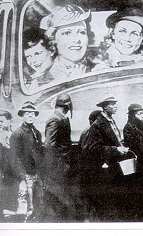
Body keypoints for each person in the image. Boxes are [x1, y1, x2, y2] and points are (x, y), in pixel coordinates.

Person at [80, 96, 130, 221]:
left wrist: (122, 147)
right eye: (112, 104)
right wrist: (116, 149)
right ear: (104, 107)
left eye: (115, 103)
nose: (115, 106)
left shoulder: (111, 121)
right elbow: (94, 148)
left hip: (115, 167)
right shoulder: (98, 124)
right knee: (107, 204)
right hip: (106, 169)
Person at [43, 93, 84, 222]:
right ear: (67, 106)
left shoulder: (61, 118)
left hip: (64, 166)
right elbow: (49, 145)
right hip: (59, 168)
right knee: (60, 197)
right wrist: (59, 165)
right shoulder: (55, 119)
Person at [40, 4, 96, 81]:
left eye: (81, 32)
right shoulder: (43, 79)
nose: (76, 40)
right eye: (67, 33)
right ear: (53, 39)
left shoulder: (101, 69)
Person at [10, 102, 44, 222]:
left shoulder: (37, 133)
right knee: (27, 207)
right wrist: (22, 178)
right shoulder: (17, 134)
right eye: (27, 113)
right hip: (26, 176)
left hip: (37, 175)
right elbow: (15, 159)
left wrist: (40, 174)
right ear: (22, 116)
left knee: (38, 204)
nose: (31, 116)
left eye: (33, 114)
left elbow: (40, 155)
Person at [0, 111, 18, 216]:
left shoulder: (15, 134)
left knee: (14, 190)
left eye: (2, 121)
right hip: (4, 170)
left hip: (14, 169)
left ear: (9, 121)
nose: (0, 124)